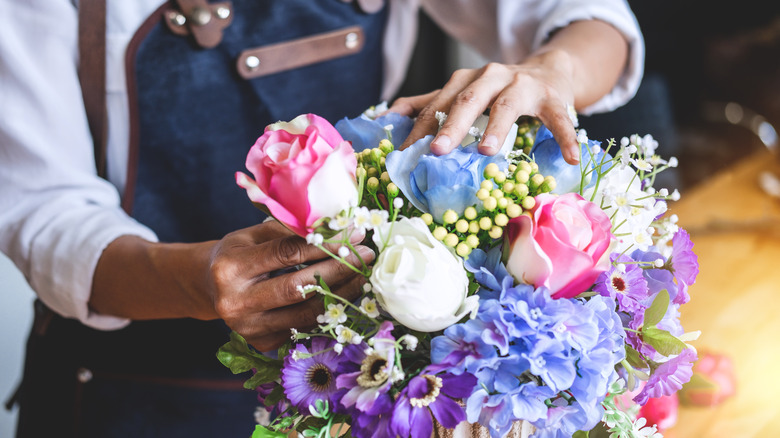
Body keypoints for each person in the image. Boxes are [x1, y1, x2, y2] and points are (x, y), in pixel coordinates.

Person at [0, 0, 643, 436]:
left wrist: (548, 69)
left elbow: (595, 22)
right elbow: (40, 207)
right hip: (128, 394)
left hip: (355, 393)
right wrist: (198, 280)